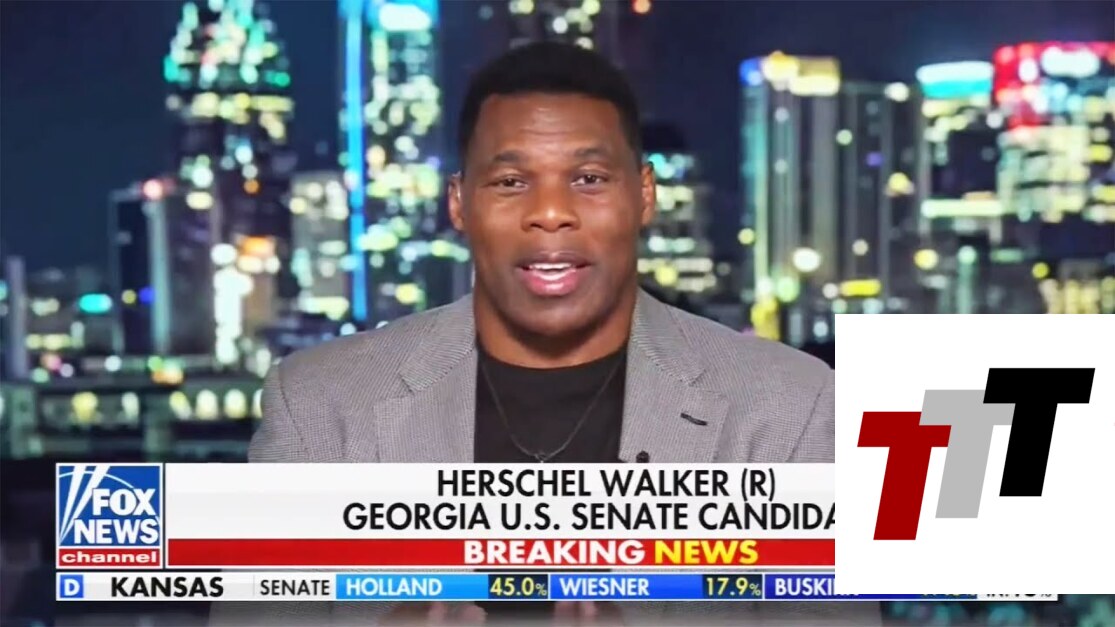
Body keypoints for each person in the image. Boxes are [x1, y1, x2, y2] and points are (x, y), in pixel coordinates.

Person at [211, 41, 879, 627]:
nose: (551, 213)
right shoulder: (319, 408)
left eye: (588, 179)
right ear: (458, 203)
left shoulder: (791, 409)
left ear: (644, 195)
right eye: (511, 181)